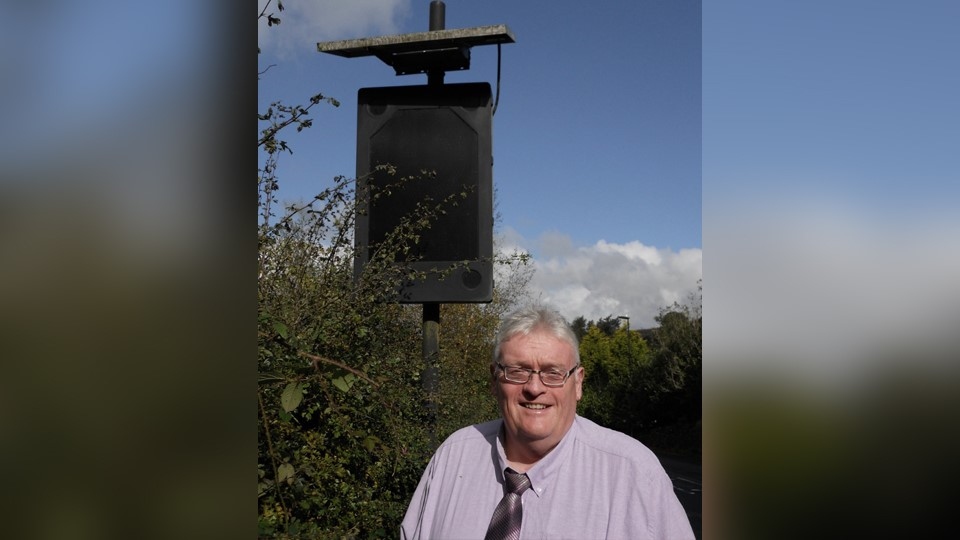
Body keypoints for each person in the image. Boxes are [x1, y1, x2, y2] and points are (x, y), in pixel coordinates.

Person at [401, 304, 695, 539]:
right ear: (494, 379)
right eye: (517, 371)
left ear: (577, 383)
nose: (534, 387)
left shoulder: (633, 473)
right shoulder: (454, 456)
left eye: (553, 373)